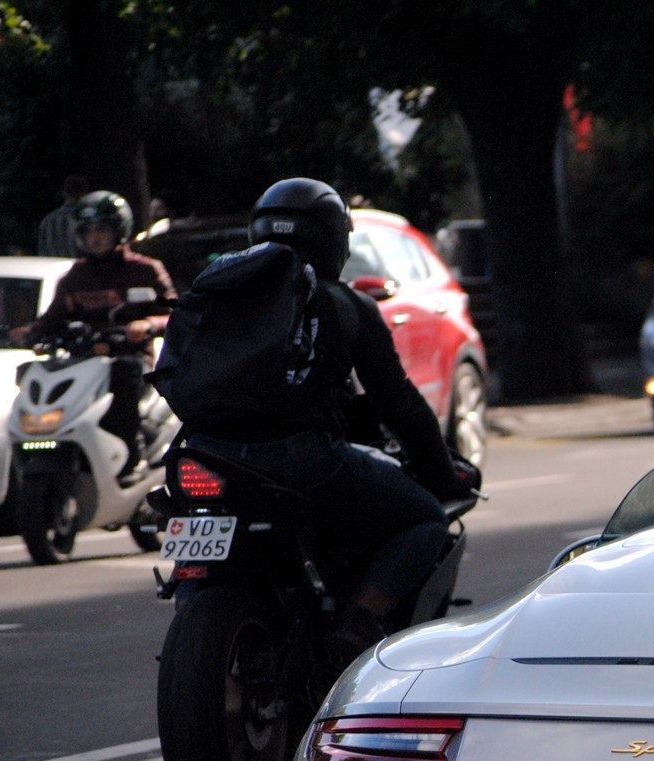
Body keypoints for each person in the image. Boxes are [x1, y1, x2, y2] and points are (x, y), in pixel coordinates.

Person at [175, 177, 474, 661]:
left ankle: (193, 608)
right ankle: (359, 621)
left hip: (203, 454)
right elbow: (399, 404)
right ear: (334, 238)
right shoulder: (345, 304)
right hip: (300, 460)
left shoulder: (217, 294)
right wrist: (441, 475)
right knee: (424, 520)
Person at [13, 191, 175, 482]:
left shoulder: (145, 270)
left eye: (102, 230)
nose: (95, 238)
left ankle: (132, 456)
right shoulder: (74, 276)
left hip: (131, 359)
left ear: (119, 231)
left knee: (123, 374)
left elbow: (175, 313)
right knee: (29, 373)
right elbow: (52, 318)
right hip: (83, 363)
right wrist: (30, 332)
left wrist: (147, 324)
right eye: (88, 231)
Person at [36, 175, 89, 257]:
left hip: (53, 268)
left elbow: (42, 252)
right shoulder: (88, 219)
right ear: (85, 193)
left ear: (64, 193)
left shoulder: (48, 221)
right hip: (80, 268)